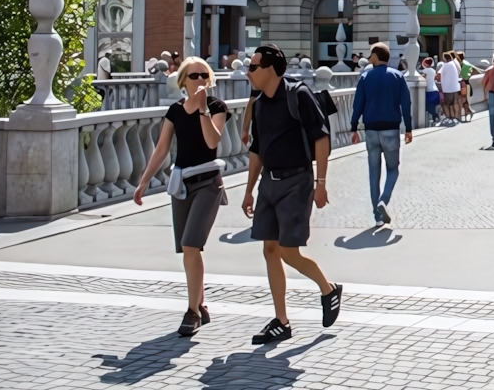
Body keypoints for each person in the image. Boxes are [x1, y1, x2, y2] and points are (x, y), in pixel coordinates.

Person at [242, 43, 342, 345]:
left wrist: (320, 183)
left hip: (296, 180)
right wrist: (248, 191)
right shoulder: (259, 104)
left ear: (270, 69)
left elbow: (321, 139)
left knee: (288, 251)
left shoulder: (298, 95)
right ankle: (281, 321)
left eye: (253, 67)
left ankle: (328, 289)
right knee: (270, 250)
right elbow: (257, 150)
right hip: (269, 183)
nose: (248, 72)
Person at [133, 55, 229, 337]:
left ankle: (192, 312)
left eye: (204, 76)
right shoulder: (174, 111)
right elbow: (162, 148)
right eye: (194, 76)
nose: (200, 81)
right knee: (189, 250)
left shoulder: (216, 107)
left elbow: (213, 142)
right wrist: (143, 182)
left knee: (191, 244)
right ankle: (199, 304)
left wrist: (202, 111)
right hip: (182, 184)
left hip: (209, 182)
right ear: (183, 80)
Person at [348, 43, 412, 225]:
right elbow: (406, 104)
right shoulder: (398, 76)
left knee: (373, 173)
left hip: (370, 130)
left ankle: (377, 216)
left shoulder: (365, 76)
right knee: (393, 168)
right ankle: (384, 200)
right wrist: (408, 128)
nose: (369, 58)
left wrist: (354, 127)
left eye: (370, 55)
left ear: (376, 56)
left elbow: (357, 104)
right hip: (391, 128)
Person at [437, 54, 461, 122]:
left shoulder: (446, 65)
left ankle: (449, 117)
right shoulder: (454, 63)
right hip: (455, 87)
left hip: (448, 88)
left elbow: (439, 75)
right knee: (455, 103)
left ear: (445, 58)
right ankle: (456, 117)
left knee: (446, 104)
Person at [421, 56, 441, 124]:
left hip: (430, 91)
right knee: (434, 106)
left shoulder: (426, 70)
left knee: (425, 105)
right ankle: (435, 118)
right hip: (435, 90)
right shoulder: (433, 70)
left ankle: (435, 116)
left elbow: (422, 78)